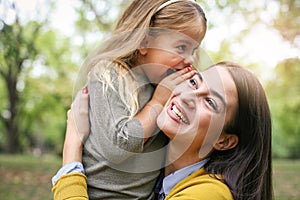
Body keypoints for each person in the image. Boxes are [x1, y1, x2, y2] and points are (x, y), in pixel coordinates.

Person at [52, 0, 208, 199]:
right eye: (181, 47)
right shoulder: (109, 75)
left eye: (193, 50)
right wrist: (157, 102)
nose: (190, 60)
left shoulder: (165, 88)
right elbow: (116, 147)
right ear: (144, 42)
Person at [52, 61, 273, 200]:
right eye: (195, 83)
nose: (187, 96)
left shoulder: (209, 194)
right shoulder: (158, 178)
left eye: (211, 102)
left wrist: (72, 146)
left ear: (224, 141)